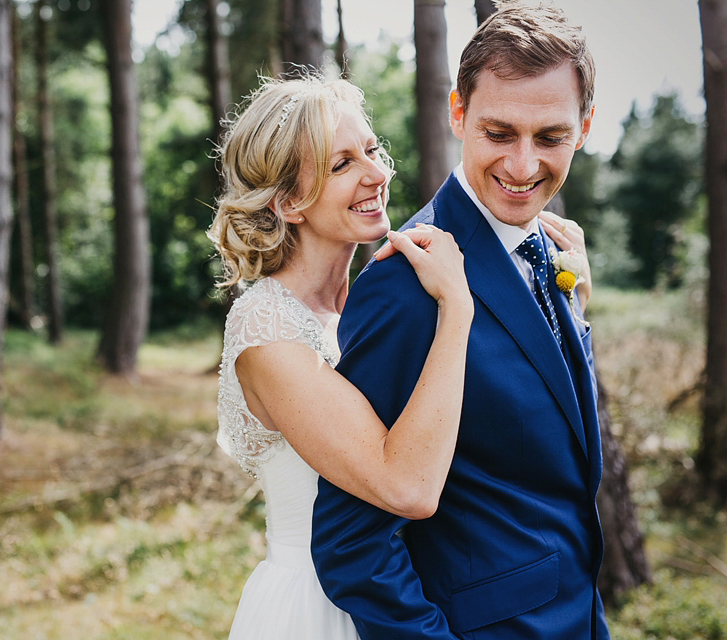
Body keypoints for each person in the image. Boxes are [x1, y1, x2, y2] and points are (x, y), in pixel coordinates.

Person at [209, 73, 583, 638]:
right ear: (287, 201)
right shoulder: (266, 331)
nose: (378, 174)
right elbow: (407, 487)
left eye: (372, 150)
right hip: (321, 608)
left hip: (413, 590)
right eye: (342, 165)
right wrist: (458, 310)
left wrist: (570, 304)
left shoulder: (371, 300)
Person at [310, 2, 607, 639]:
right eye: (499, 134)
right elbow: (351, 545)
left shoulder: (549, 251)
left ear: (583, 127)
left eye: (550, 137)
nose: (523, 167)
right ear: (457, 114)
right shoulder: (406, 280)